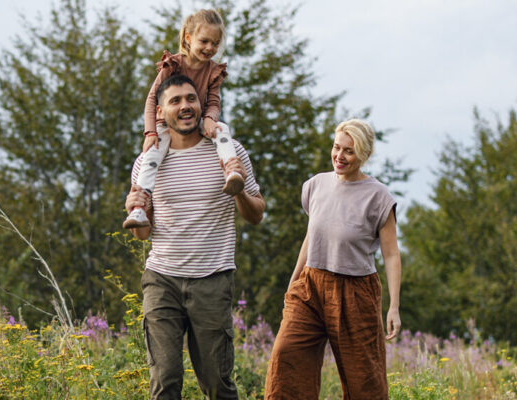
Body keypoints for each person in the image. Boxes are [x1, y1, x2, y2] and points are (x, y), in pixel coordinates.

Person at [125, 74, 266, 400]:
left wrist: (238, 190)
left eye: (191, 98)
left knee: (216, 383)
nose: (185, 106)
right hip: (162, 279)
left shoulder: (228, 151)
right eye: (175, 101)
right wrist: (135, 209)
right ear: (161, 112)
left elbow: (256, 214)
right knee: (164, 380)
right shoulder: (147, 161)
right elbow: (143, 234)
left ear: (201, 104)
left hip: (212, 279)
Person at [264, 119, 402, 400]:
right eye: (337, 147)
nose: (339, 156)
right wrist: (293, 283)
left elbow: (391, 254)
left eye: (349, 151)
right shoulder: (316, 185)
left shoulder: (378, 197)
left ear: (364, 154)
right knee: (286, 355)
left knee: (364, 380)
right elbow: (311, 238)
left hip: (356, 293)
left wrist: (394, 307)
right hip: (310, 287)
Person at [124, 9, 241, 229]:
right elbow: (152, 99)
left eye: (215, 43)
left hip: (198, 119)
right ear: (188, 37)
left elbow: (213, 101)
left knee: (221, 129)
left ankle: (232, 171)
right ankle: (140, 206)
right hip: (166, 124)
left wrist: (210, 118)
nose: (210, 48)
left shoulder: (213, 71)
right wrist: (150, 132)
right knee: (152, 155)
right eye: (204, 41)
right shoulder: (174, 65)